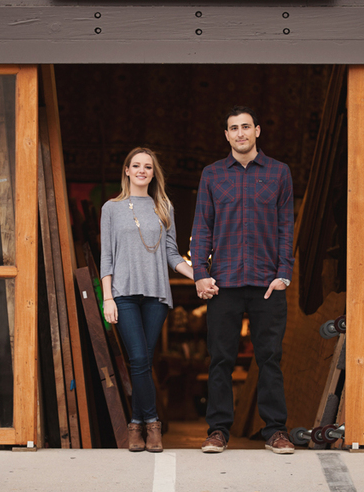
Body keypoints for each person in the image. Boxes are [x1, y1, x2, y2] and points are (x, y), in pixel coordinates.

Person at [190, 106, 295, 454]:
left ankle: (275, 431)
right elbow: (201, 227)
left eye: (246, 127)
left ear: (257, 131)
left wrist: (284, 275)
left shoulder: (279, 173)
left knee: (269, 358)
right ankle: (218, 431)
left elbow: (285, 227)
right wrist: (201, 276)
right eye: (233, 128)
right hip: (224, 284)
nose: (240, 133)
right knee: (220, 358)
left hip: (267, 284)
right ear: (226, 135)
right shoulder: (212, 175)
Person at [100, 147, 217, 452]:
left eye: (147, 167)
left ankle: (135, 426)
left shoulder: (163, 206)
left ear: (153, 173)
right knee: (138, 359)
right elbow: (106, 257)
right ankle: (153, 424)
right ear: (126, 170)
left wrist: (198, 275)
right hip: (123, 295)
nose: (142, 170)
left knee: (144, 362)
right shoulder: (111, 209)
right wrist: (107, 298)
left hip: (156, 297)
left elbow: (171, 254)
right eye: (136, 165)